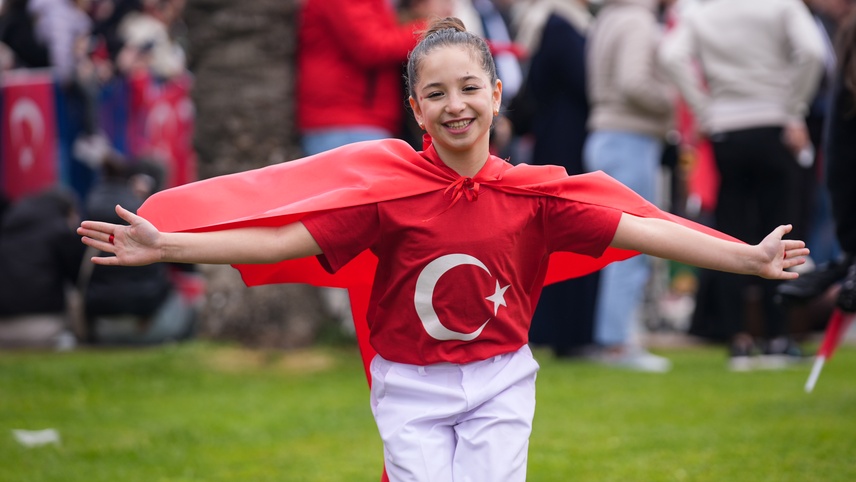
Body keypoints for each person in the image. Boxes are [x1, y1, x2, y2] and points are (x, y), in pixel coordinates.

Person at [78, 17, 809, 482]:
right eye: (436, 93)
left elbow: (640, 227)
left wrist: (744, 256)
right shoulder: (386, 192)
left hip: (500, 380)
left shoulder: (534, 195)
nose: (455, 104)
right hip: (410, 387)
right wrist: (166, 244)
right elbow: (279, 238)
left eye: (469, 88)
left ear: (496, 95)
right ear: (416, 108)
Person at [659, 0, 826, 370]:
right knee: (781, 228)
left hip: (725, 129)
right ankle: (778, 337)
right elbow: (813, 51)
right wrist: (794, 106)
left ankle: (737, 337)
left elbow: (671, 54)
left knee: (730, 232)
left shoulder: (702, 12)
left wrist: (705, 110)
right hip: (774, 123)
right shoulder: (782, 6)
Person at [582, 0, 676, 372]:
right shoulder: (637, 20)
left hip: (608, 135)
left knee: (619, 244)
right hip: (629, 138)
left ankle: (618, 338)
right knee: (634, 244)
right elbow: (634, 81)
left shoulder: (608, 16)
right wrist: (673, 104)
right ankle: (620, 343)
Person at [0, 186, 86, 349]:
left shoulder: (7, 227)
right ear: (68, 211)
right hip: (45, 325)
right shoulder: (60, 231)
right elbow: (78, 278)